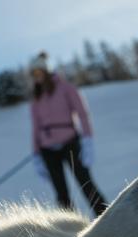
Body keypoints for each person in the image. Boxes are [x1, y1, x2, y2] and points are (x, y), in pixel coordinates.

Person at [29, 51, 106, 216]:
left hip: (69, 142)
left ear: (46, 71)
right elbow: (35, 128)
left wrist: (88, 140)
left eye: (38, 72)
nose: (36, 77)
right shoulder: (36, 101)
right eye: (33, 74)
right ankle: (68, 232)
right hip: (47, 150)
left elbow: (83, 114)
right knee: (61, 193)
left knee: (86, 183)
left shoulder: (66, 88)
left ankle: (106, 219)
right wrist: (36, 156)